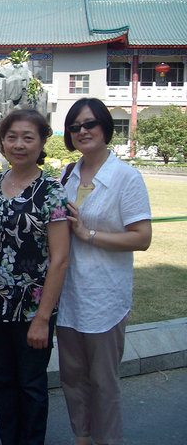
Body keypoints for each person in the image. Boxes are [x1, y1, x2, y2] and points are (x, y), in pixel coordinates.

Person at [57, 98, 152, 445]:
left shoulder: (126, 177)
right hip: (69, 295)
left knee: (103, 381)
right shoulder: (67, 174)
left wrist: (89, 235)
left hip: (104, 297)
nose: (82, 131)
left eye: (90, 124)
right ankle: (82, 438)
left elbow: (142, 238)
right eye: (75, 127)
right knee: (72, 378)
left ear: (105, 127)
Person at [0, 109, 70, 445]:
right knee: (3, 383)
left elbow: (60, 259)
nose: (19, 144)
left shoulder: (51, 191)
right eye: (12, 137)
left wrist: (43, 319)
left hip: (34, 310)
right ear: (2, 142)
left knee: (31, 385)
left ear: (42, 142)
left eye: (28, 137)